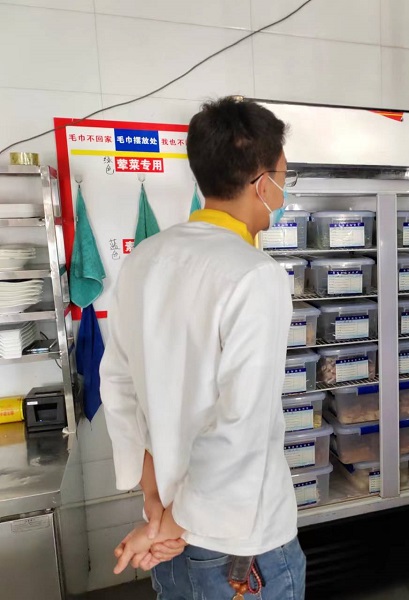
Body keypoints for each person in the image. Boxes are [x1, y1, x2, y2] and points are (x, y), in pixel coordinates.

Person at [99, 97, 306, 599]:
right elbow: (241, 425)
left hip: (170, 534)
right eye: (284, 177)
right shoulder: (255, 275)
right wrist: (171, 524)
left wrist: (155, 506)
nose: (282, 191)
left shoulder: (145, 258)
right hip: (242, 548)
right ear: (263, 183)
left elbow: (119, 385)